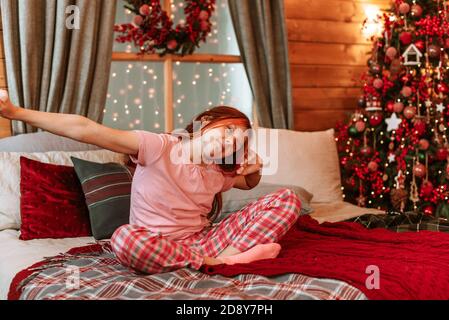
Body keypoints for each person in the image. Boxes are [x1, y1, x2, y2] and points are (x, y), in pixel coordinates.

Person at [0, 90, 301, 274]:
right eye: (227, 133)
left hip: (203, 240)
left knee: (288, 197)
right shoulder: (159, 147)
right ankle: (227, 261)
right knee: (123, 239)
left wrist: (255, 168)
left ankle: (218, 258)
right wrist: (17, 113)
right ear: (207, 121)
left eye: (235, 143)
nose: (228, 145)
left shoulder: (219, 172)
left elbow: (249, 185)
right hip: (154, 243)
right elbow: (85, 129)